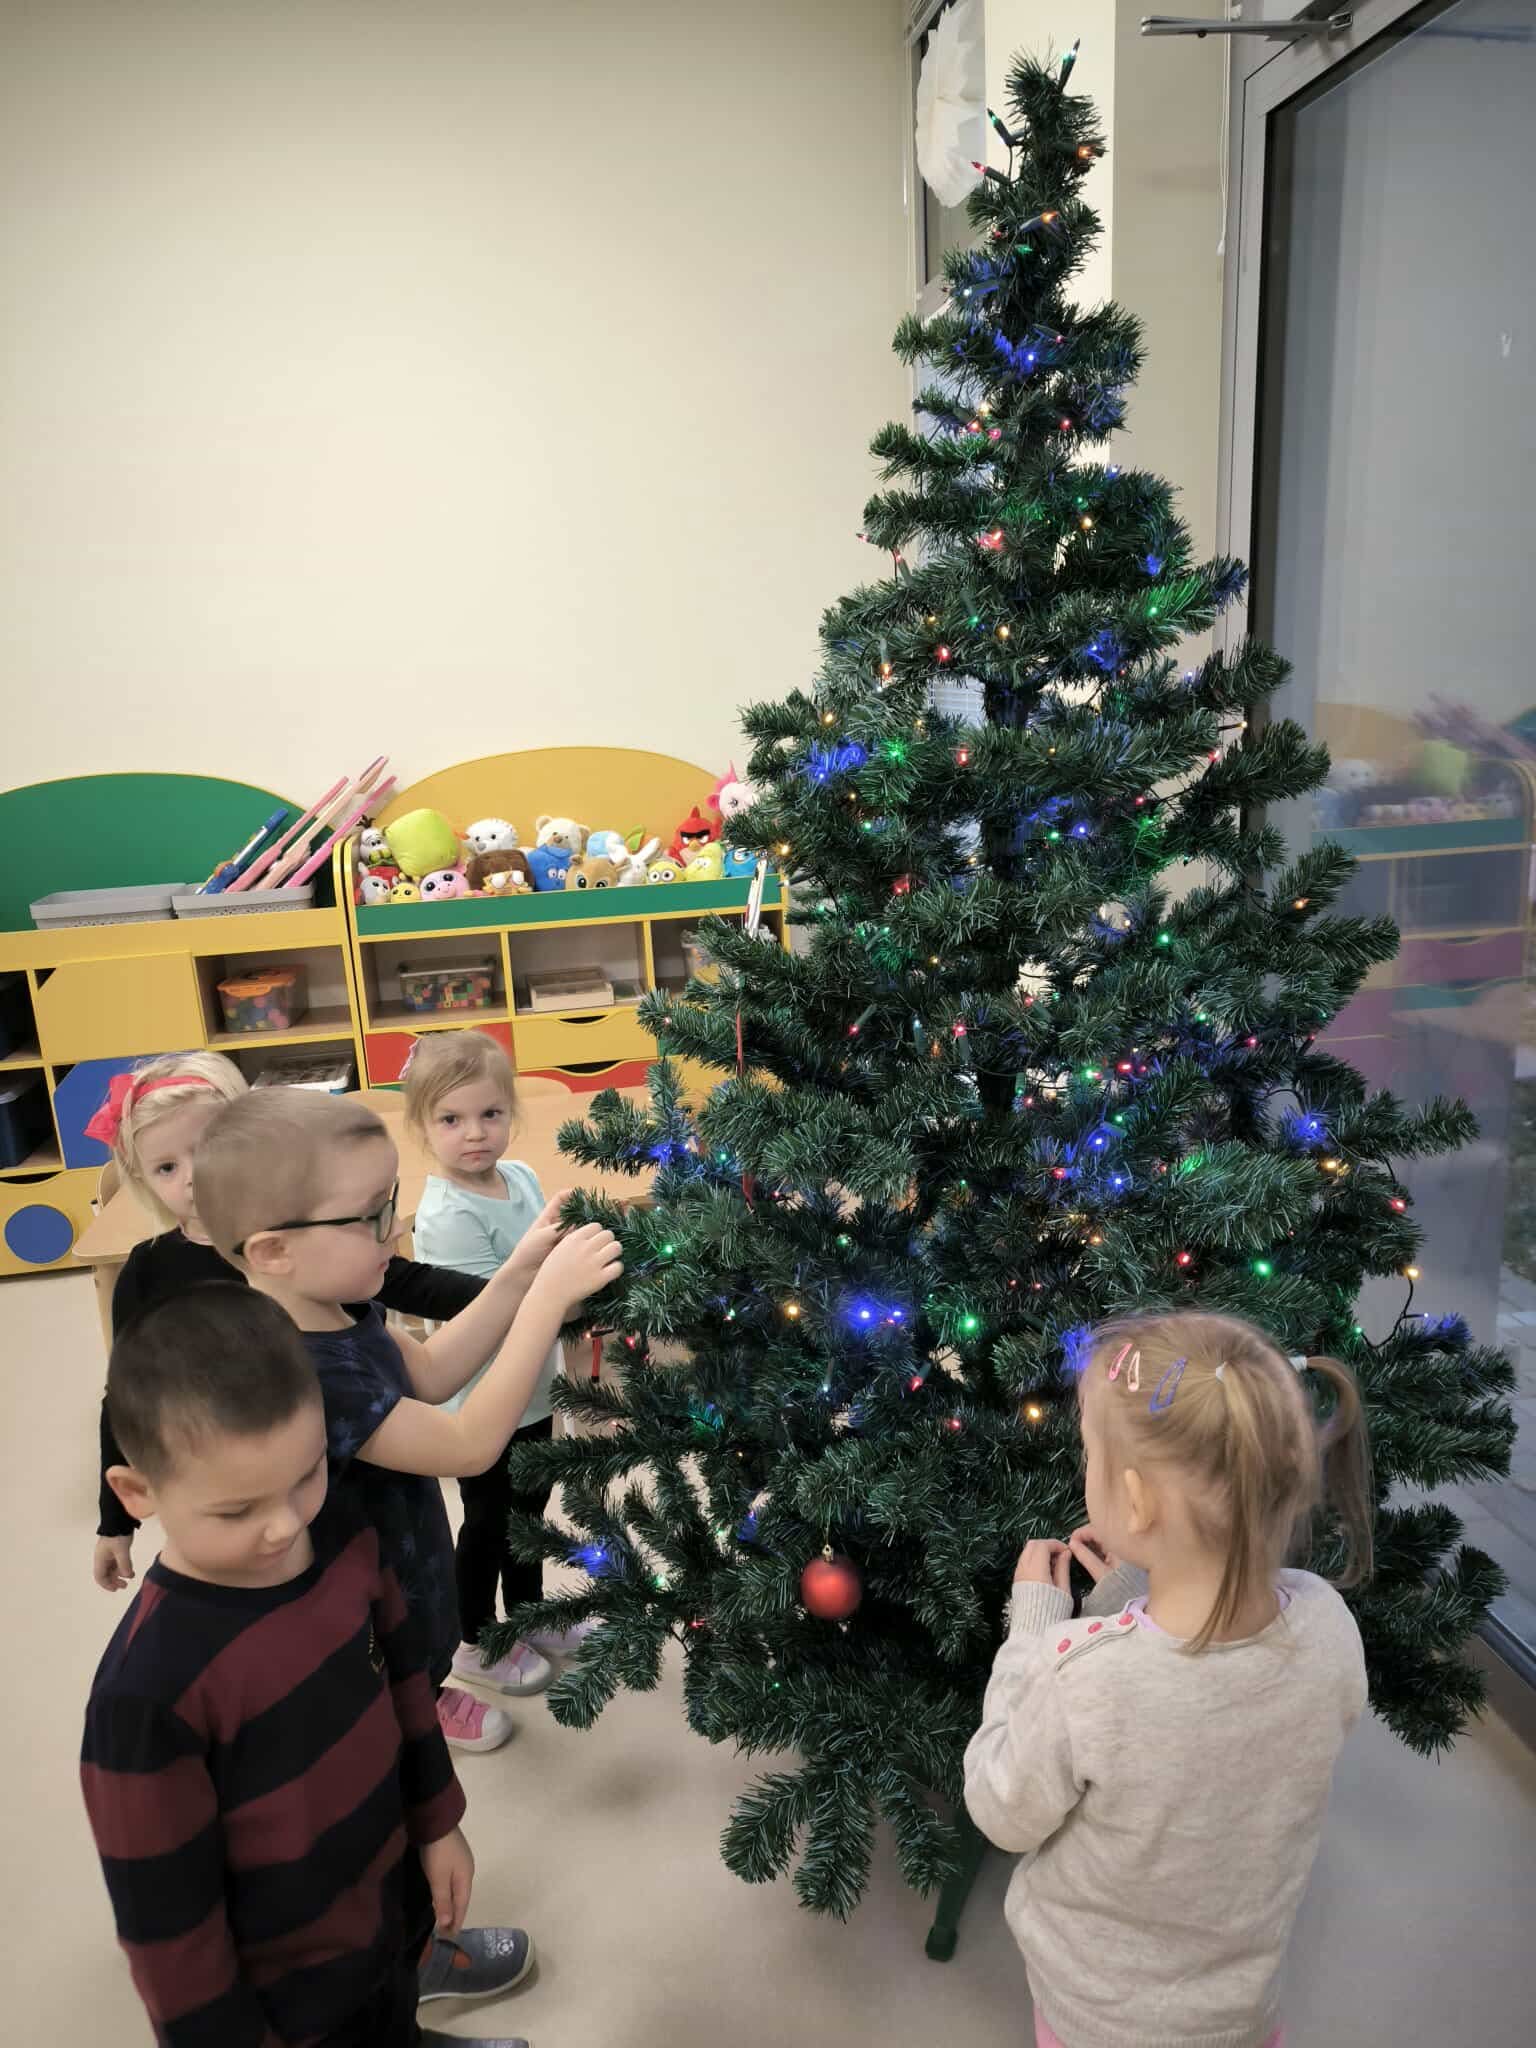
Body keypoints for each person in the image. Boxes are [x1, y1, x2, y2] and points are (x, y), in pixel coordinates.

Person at [82, 1284, 531, 2048]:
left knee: (396, 2002)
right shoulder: (145, 1698)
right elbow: (172, 1942)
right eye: (237, 1510)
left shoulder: (347, 1538)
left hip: (389, 1896)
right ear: (137, 1492)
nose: (286, 1526)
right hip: (292, 1995)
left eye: (308, 1474)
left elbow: (407, 1695)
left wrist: (437, 1825)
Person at [965, 1311, 1373, 2048]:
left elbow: (1002, 1809)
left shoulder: (1078, 1674)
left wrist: (1031, 1633)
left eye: (1088, 1452)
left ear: (1137, 1501)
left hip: (1096, 2019)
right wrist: (1136, 1591)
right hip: (1242, 2015)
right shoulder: (1327, 1622)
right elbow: (1208, 1708)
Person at [192, 1087, 621, 1758]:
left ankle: (427, 1689)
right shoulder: (300, 1371)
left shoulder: (336, 1305)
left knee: (420, 1650)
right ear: (274, 1251)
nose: (395, 1231)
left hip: (404, 1559)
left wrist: (519, 1272)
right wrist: (546, 1300)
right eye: (370, 1216)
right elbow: (468, 1446)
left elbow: (431, 1373)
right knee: (390, 1736)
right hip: (356, 1614)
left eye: (390, 1204)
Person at [88, 1053, 490, 1611]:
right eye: (166, 1168)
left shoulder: (313, 1244)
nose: (193, 1179)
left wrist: (511, 1291)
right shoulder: (148, 1271)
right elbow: (125, 1398)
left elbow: (405, 1283)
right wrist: (115, 1523)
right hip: (244, 1495)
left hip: (342, 1479)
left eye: (207, 1150)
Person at [404, 1032, 585, 1703]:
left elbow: (548, 1263)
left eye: (490, 1114)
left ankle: (528, 1617)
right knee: (487, 1524)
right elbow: (490, 1309)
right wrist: (568, 1292)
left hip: (533, 1388)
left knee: (529, 1512)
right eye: (451, 1119)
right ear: (423, 1126)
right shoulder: (447, 1212)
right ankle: (476, 1639)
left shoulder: (522, 1178)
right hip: (482, 1404)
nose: (475, 1134)